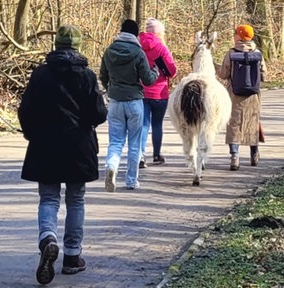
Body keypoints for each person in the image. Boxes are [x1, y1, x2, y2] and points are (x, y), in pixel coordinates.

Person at [19, 24, 107, 284]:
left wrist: (30, 132)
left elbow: (25, 110)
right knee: (76, 199)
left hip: (45, 145)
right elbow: (99, 114)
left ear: (56, 45)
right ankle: (71, 257)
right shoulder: (87, 76)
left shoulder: (40, 75)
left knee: (48, 198)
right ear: (78, 46)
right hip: (78, 146)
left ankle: (48, 238)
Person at [100, 19, 158, 191]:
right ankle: (131, 181)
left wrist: (110, 88)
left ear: (121, 31)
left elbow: (103, 75)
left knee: (116, 141)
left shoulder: (109, 51)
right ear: (135, 34)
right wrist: (155, 71)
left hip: (116, 102)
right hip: (134, 101)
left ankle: (112, 166)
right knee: (134, 143)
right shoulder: (138, 53)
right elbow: (147, 79)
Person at [218, 24, 267, 171]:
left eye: (235, 34)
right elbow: (264, 75)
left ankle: (234, 156)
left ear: (239, 36)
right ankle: (254, 154)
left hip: (234, 95)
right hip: (253, 95)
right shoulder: (258, 53)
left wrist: (214, 66)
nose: (234, 36)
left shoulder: (231, 53)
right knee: (253, 122)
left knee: (234, 124)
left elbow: (223, 74)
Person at [137, 18, 178, 168]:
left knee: (143, 124)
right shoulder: (161, 48)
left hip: (141, 92)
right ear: (158, 32)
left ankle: (141, 155)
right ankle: (156, 155)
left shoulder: (137, 45)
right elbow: (171, 71)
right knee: (156, 124)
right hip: (159, 93)